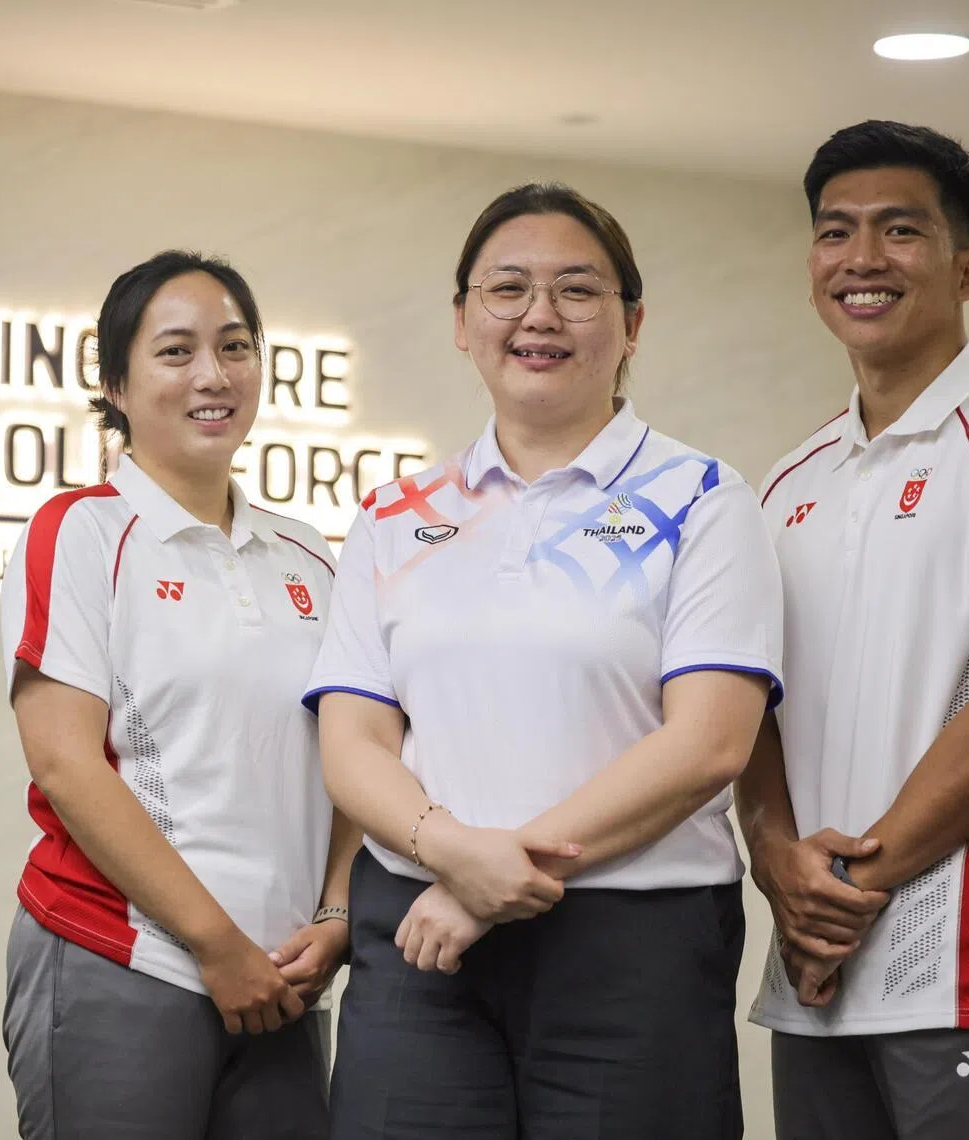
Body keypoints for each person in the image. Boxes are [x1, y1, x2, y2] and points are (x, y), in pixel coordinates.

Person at [305, 181, 784, 1140]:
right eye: (507, 288)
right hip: (418, 931)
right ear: (461, 320)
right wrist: (451, 856)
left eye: (577, 289)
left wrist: (498, 875)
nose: (540, 315)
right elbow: (353, 741)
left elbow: (709, 746)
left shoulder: (702, 497)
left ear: (632, 322)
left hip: (630, 943)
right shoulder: (397, 514)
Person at [737, 120, 969, 1140]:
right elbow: (751, 715)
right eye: (835, 233)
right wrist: (776, 862)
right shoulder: (786, 481)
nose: (862, 259)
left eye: (900, 231)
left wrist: (841, 893)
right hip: (815, 978)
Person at [0, 250, 362, 1140]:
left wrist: (336, 912)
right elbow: (64, 761)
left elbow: (356, 746)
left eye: (235, 346)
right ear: (115, 382)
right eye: (175, 351)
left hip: (281, 979)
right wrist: (216, 944)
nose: (213, 374)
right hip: (122, 957)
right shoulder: (82, 531)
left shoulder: (309, 551)